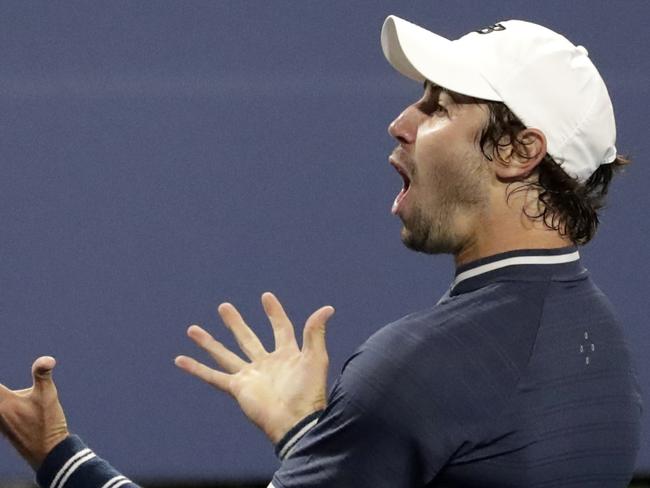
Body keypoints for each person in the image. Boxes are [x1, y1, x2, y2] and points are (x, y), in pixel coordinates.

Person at [0, 15, 643, 488]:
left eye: (438, 107)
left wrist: (57, 453)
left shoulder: (420, 368)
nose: (401, 122)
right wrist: (313, 436)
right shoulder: (604, 349)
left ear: (517, 152)